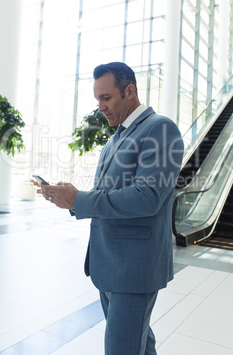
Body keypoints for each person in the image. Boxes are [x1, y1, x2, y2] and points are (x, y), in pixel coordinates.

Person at [41, 62, 184, 355]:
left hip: (134, 268)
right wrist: (69, 199)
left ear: (129, 91)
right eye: (97, 100)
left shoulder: (160, 129)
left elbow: (148, 196)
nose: (100, 107)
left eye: (106, 98)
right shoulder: (116, 138)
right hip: (110, 264)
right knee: (140, 345)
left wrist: (79, 199)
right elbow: (109, 194)